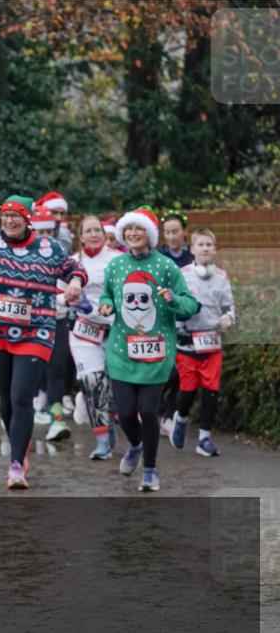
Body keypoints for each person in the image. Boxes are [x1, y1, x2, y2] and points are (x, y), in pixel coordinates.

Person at [0, 195, 85, 488]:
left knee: (22, 396)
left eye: (16, 216)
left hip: (36, 332)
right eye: (5, 215)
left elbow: (75, 268)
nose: (9, 220)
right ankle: (19, 450)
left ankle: (15, 466)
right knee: (7, 401)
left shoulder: (49, 248)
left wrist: (75, 282)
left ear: (28, 220)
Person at [98, 207, 198, 492]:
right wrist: (106, 305)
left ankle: (150, 470)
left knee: (147, 411)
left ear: (150, 235)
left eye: (138, 229)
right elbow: (107, 294)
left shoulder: (166, 266)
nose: (132, 234)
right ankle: (135, 445)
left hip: (156, 354)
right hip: (121, 352)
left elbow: (189, 304)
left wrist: (172, 300)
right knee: (126, 414)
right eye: (128, 230)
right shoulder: (116, 266)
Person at [171, 228, 234, 457]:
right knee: (187, 390)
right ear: (192, 249)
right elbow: (173, 305)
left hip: (211, 343)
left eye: (209, 244)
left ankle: (204, 438)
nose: (206, 248)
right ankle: (181, 418)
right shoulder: (182, 274)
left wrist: (229, 317)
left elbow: (229, 306)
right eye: (201, 244)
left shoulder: (222, 277)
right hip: (187, 344)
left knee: (211, 391)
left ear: (215, 250)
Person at [66, 216, 120, 459]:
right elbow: (59, 293)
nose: (94, 234)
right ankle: (102, 439)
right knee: (92, 382)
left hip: (115, 330)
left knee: (116, 387)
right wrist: (71, 300)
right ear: (81, 236)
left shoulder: (118, 260)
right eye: (88, 231)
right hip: (84, 332)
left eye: (97, 230)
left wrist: (99, 312)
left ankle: (111, 420)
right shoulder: (72, 263)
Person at [30, 207, 75, 441]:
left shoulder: (61, 254)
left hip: (58, 319)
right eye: (40, 231)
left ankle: (56, 420)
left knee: (57, 368)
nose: (45, 235)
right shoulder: (23, 256)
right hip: (30, 325)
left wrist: (70, 292)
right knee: (35, 370)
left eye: (49, 230)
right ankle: (27, 408)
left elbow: (73, 279)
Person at [156, 209, 193, 436]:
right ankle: (151, 409)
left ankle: (168, 416)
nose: (171, 237)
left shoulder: (193, 257)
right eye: (167, 232)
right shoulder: (158, 257)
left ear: (185, 232)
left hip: (188, 321)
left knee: (183, 373)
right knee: (166, 371)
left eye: (175, 232)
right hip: (162, 321)